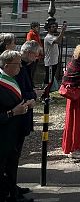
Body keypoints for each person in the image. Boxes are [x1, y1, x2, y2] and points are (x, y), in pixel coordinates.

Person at [0, 50, 33, 202]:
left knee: (12, 166)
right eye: (17, 64)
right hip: (3, 136)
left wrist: (26, 105)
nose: (20, 66)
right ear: (6, 66)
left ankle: (13, 192)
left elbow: (15, 101)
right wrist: (12, 113)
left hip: (14, 134)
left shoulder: (11, 79)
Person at [13, 41, 42, 200]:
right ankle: (11, 189)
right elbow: (18, 92)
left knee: (16, 155)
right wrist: (34, 94)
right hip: (19, 115)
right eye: (36, 55)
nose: (37, 58)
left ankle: (12, 185)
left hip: (24, 113)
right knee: (13, 155)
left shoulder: (25, 66)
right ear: (29, 53)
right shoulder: (20, 68)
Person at [43, 20, 67, 87]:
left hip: (54, 61)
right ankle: (45, 94)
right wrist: (63, 31)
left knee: (50, 79)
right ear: (48, 28)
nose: (55, 28)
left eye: (55, 26)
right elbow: (58, 41)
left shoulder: (52, 36)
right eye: (53, 27)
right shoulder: (48, 37)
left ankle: (46, 93)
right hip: (50, 62)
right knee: (49, 80)